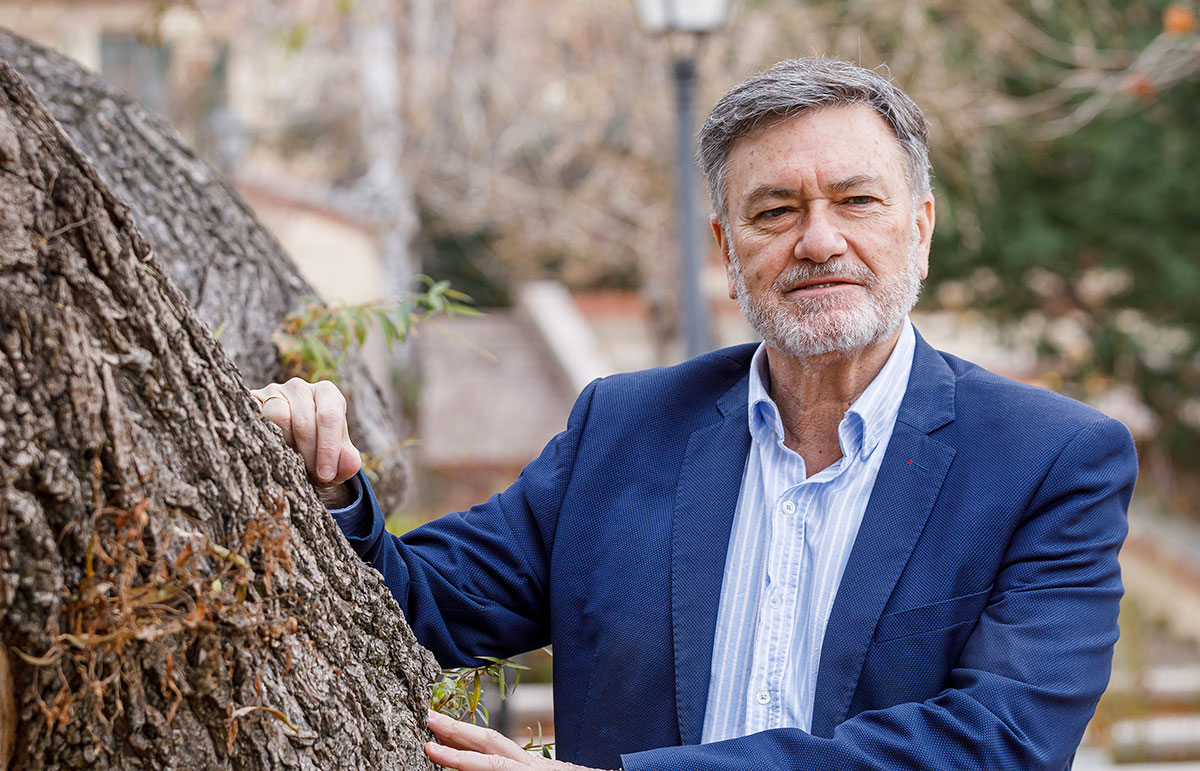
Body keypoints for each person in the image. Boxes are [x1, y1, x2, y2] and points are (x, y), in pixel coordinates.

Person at [252, 57, 1137, 771]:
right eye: (774, 210)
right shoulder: (622, 428)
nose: (818, 239)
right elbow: (418, 603)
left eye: (857, 200)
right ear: (727, 247)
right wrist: (324, 484)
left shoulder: (1050, 460)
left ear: (921, 228)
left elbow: (998, 744)